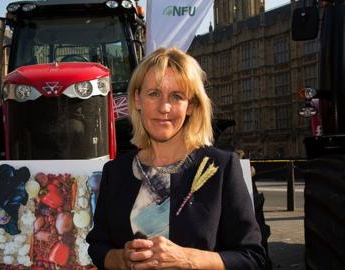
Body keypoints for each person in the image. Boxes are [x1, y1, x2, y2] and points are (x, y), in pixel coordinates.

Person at [86, 48, 265, 269]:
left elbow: (253, 258)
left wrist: (188, 259)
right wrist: (121, 259)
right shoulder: (116, 171)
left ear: (190, 106)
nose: (164, 107)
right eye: (153, 94)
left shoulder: (221, 168)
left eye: (177, 96)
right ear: (137, 99)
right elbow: (97, 246)